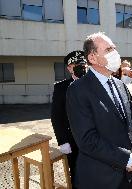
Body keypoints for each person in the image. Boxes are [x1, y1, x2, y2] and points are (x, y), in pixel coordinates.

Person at [66, 32, 132, 189]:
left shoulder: (120, 84)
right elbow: (87, 140)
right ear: (92, 58)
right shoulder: (77, 90)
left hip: (130, 175)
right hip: (101, 178)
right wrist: (126, 159)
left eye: (114, 48)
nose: (115, 53)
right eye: (108, 50)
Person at [51, 50, 87, 187]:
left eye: (83, 63)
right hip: (73, 140)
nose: (80, 66)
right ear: (69, 68)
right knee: (77, 173)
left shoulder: (95, 84)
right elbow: (56, 116)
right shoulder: (61, 88)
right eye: (76, 64)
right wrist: (62, 141)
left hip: (95, 138)